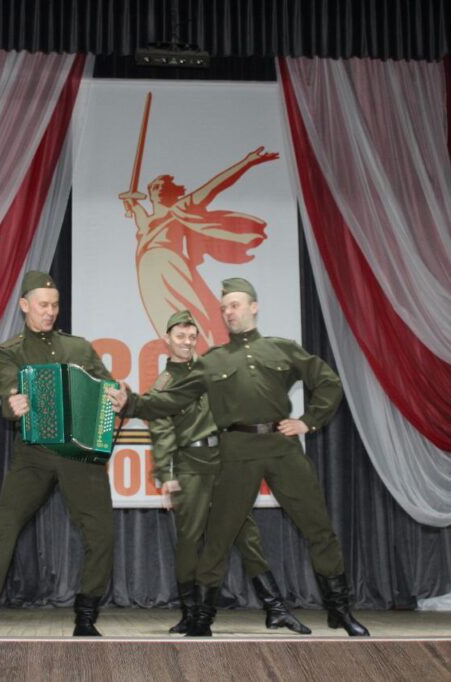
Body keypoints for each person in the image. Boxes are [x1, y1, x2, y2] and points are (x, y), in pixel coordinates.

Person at [109, 278, 369, 637]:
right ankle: (201, 619)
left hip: (281, 447)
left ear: (253, 306)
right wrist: (132, 403)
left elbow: (328, 382)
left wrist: (308, 422)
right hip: (236, 451)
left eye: (234, 305)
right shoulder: (213, 361)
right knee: (219, 538)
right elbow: (171, 400)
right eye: (224, 308)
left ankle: (339, 610)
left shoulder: (282, 349)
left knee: (319, 528)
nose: (228, 312)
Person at [0, 271, 115, 637]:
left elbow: (108, 388)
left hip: (78, 454)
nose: (50, 312)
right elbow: (8, 393)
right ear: (25, 305)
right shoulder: (9, 352)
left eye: (54, 305)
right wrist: (15, 404)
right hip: (34, 453)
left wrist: (119, 397)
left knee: (102, 532)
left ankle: (86, 618)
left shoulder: (79, 348)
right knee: (4, 526)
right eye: (43, 305)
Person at [150, 310, 311, 635]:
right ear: (167, 339)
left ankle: (276, 609)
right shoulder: (163, 385)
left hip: (226, 460)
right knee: (189, 540)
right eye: (180, 337)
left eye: (191, 337)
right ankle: (191, 613)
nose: (186, 342)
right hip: (191, 464)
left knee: (246, 535)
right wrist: (166, 475)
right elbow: (162, 431)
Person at [118, 147, 278, 352]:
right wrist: (130, 202)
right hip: (148, 274)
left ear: (171, 191)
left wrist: (247, 162)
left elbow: (215, 186)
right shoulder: (147, 221)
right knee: (166, 320)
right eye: (154, 187)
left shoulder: (180, 208)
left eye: (162, 186)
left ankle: (210, 354)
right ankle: (187, 357)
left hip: (170, 266)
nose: (157, 189)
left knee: (195, 314)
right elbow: (137, 212)